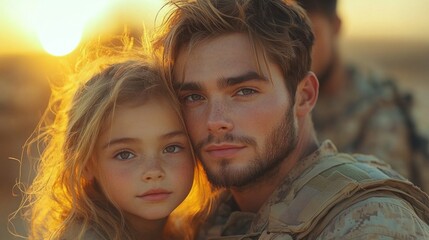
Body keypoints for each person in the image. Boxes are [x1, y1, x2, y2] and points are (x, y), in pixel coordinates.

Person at [154, 0, 429, 239]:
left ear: (304, 96)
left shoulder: (370, 223)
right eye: (194, 97)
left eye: (244, 91)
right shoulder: (207, 222)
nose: (214, 121)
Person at [15, 51, 211, 240]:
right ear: (86, 164)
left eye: (171, 148)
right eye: (125, 154)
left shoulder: (191, 230)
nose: (153, 171)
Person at [295, 0, 429, 192]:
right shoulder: (285, 100)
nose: (298, 50)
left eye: (311, 36)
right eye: (290, 38)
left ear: (335, 26)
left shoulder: (380, 111)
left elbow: (381, 200)